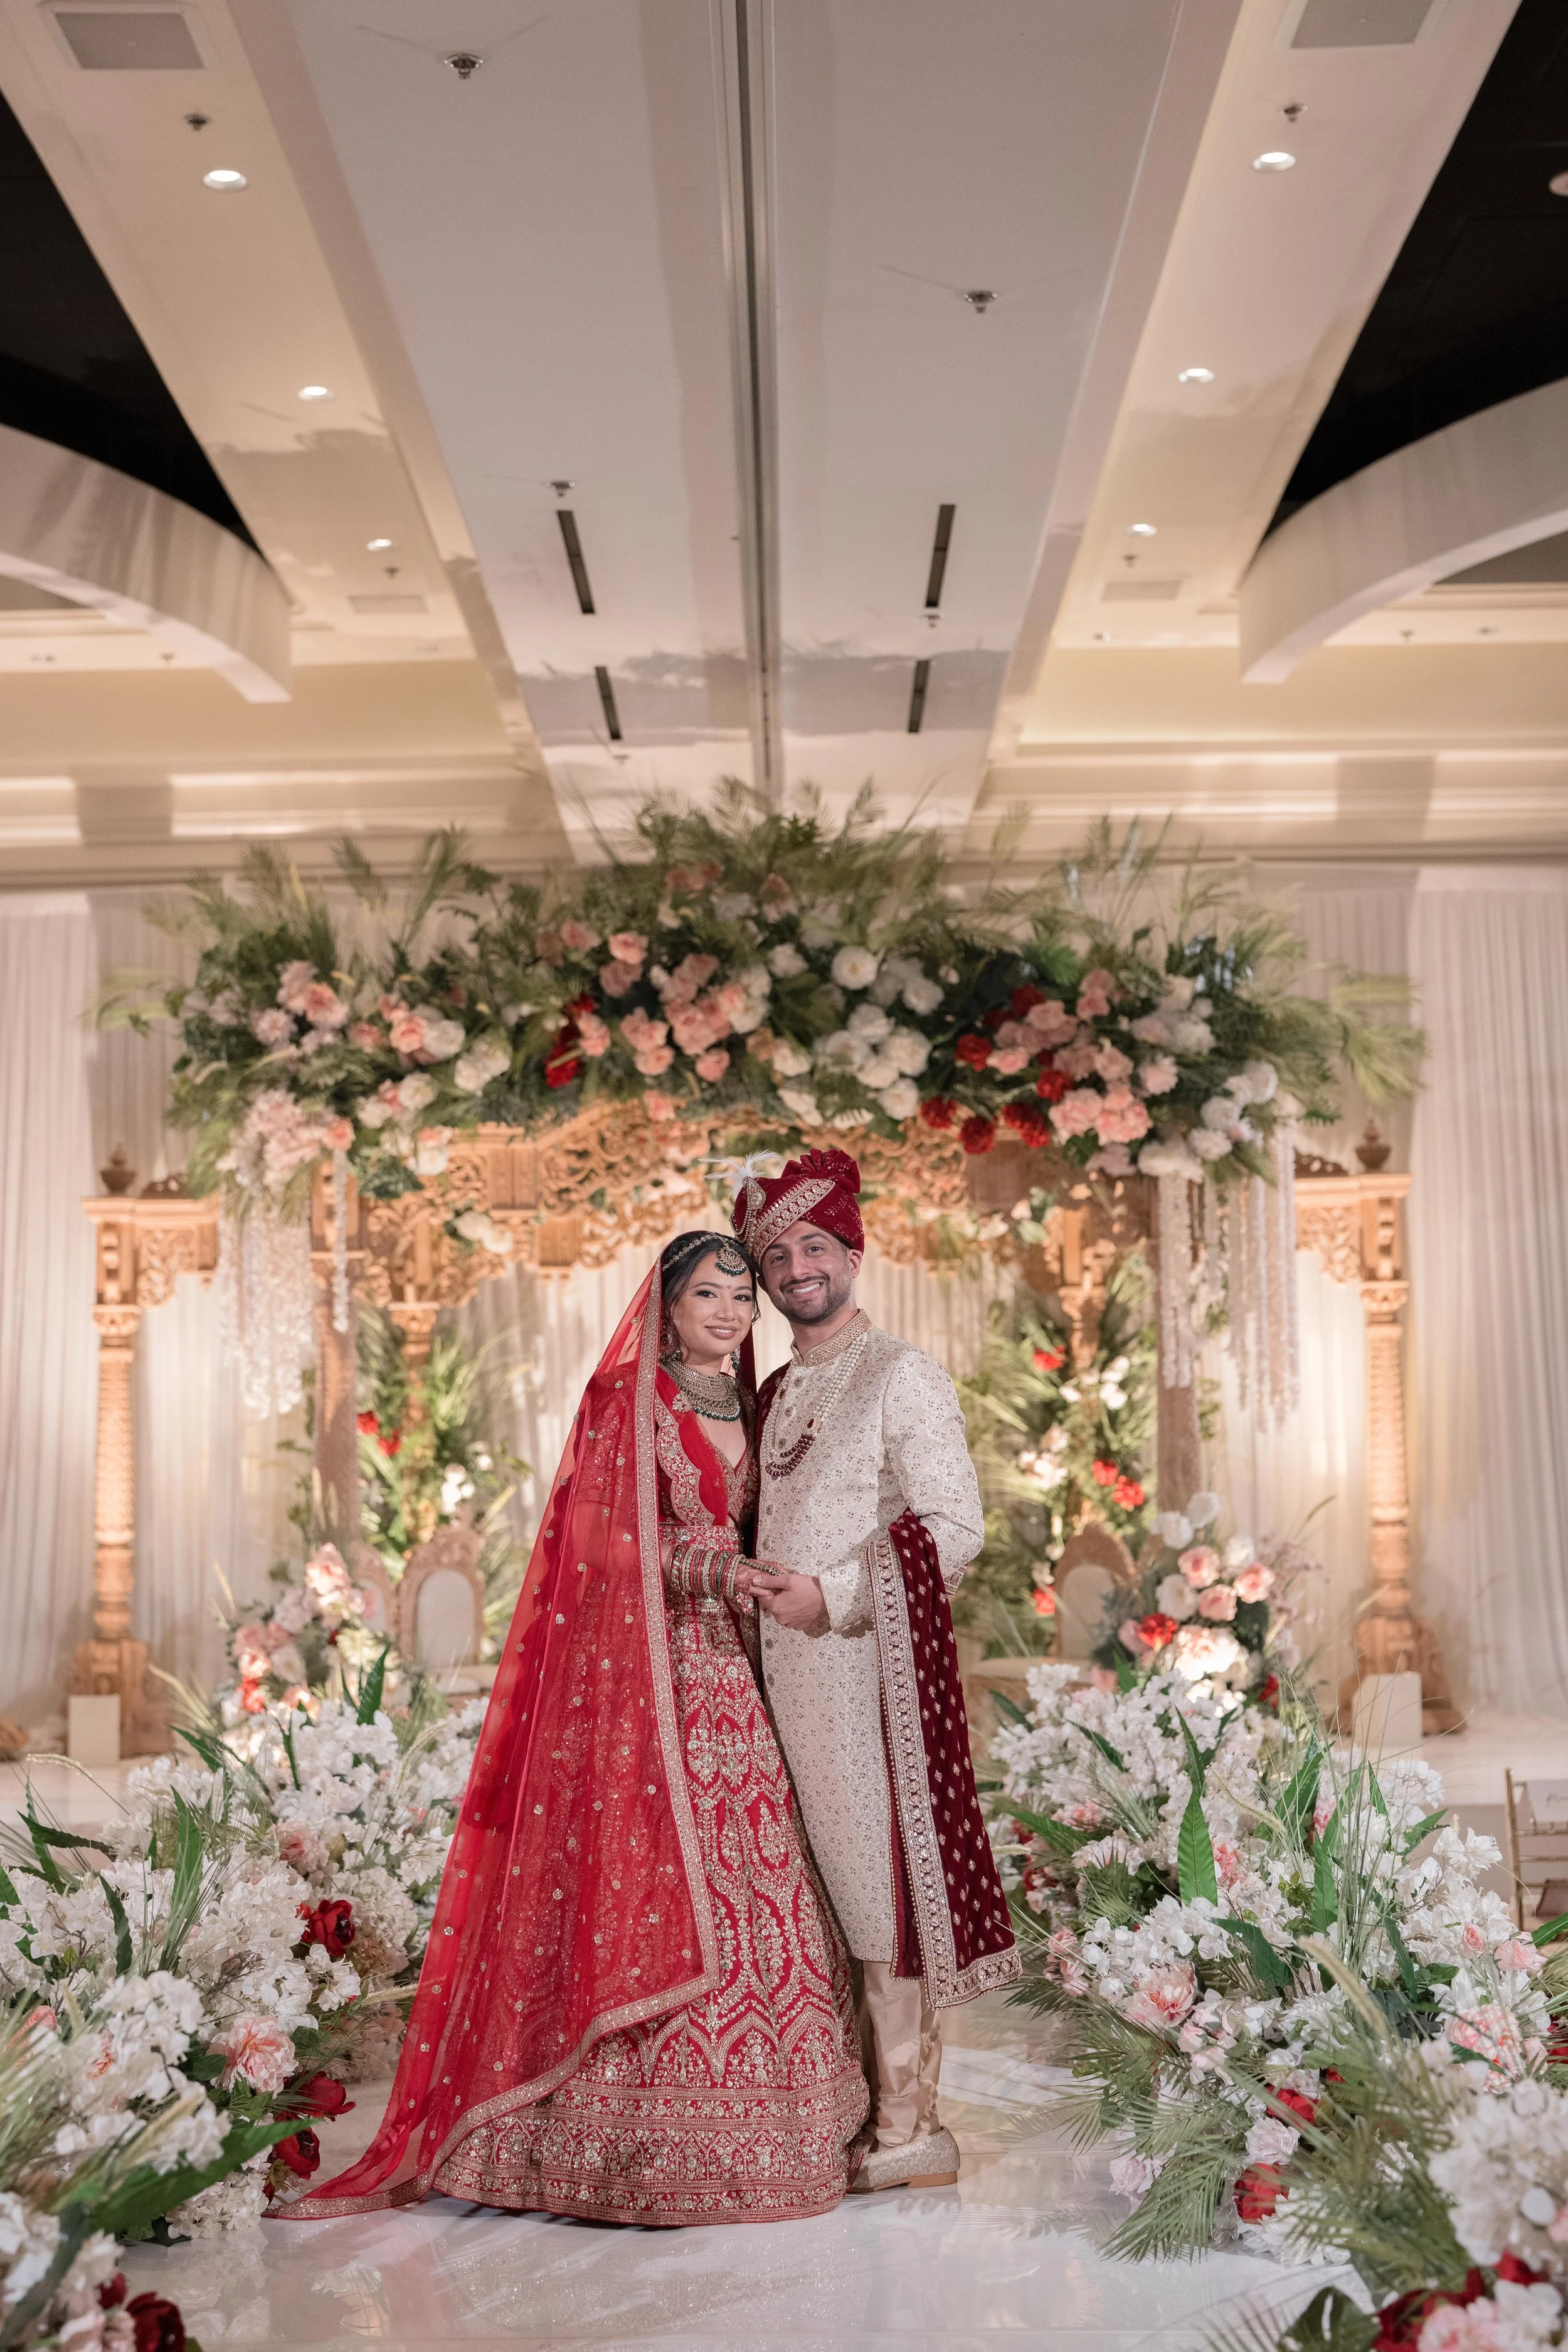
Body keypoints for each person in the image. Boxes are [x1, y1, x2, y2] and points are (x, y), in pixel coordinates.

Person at [278, 1229, 867, 2227]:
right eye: (707, 1294)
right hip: (654, 1670)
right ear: (666, 1305)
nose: (729, 1311)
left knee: (757, 1868)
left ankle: (786, 2120)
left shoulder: (761, 1403)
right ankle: (608, 2135)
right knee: (650, 1867)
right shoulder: (627, 1403)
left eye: (740, 1296)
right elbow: (600, 1541)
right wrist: (712, 1571)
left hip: (744, 1666)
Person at [734, 1148, 1020, 2194]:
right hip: (778, 1688)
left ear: (853, 1250)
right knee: (809, 1897)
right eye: (777, 1252)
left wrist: (836, 1594)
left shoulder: (901, 1372)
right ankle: (851, 2107)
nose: (798, 1265)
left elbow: (955, 1525)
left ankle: (912, 2126)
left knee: (875, 1889)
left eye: (815, 1244)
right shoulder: (769, 1392)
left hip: (865, 1679)